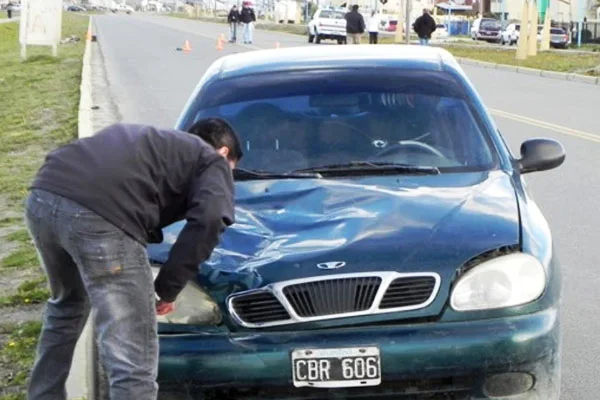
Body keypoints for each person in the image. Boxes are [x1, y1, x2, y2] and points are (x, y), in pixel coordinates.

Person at [25, 119, 243, 400]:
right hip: (101, 218)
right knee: (132, 352)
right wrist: (167, 287)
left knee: (68, 305)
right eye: (231, 173)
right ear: (225, 153)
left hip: (42, 197)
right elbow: (211, 218)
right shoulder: (212, 160)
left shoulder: (154, 143)